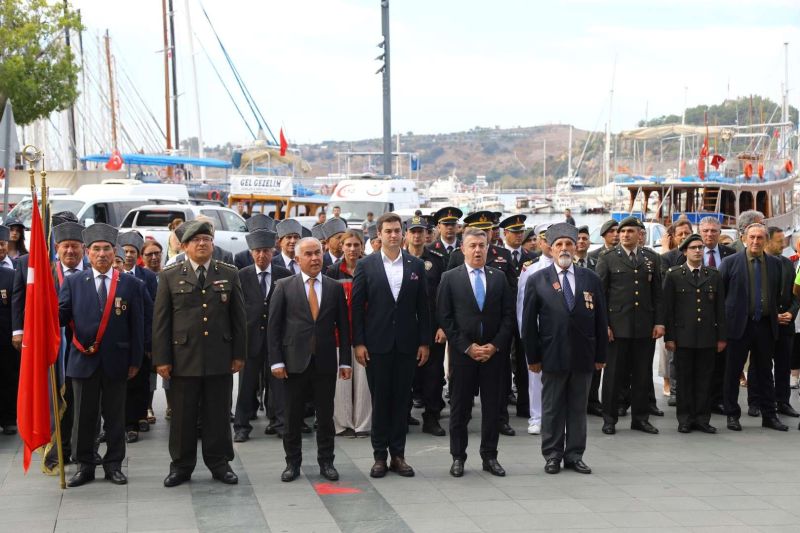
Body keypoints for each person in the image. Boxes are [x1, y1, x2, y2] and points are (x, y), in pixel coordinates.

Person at [153, 220, 247, 487]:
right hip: (184, 358)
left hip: (219, 355)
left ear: (213, 244)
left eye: (206, 239)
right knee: (182, 417)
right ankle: (181, 466)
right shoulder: (170, 275)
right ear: (184, 246)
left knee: (218, 414)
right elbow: (161, 321)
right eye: (196, 240)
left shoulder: (228, 273)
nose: (202, 244)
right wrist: (162, 359)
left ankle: (220, 463)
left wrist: (239, 354)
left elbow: (238, 318)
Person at [59, 223, 144, 487]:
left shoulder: (130, 284)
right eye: (96, 249)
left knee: (115, 418)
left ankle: (114, 464)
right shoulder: (74, 282)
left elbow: (138, 326)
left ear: (114, 250)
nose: (102, 254)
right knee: (83, 417)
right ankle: (84, 465)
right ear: (88, 252)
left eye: (107, 248)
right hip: (82, 360)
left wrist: (135, 360)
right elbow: (61, 317)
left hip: (116, 361)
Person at [522, 223, 607, 475]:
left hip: (583, 354)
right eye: (558, 244)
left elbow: (601, 319)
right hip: (552, 354)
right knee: (552, 409)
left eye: (569, 243)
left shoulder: (590, 278)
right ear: (551, 249)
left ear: (575, 247)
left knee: (578, 409)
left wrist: (601, 354)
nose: (564, 248)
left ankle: (574, 455)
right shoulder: (538, 279)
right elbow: (528, 324)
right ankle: (552, 455)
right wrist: (533, 357)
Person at [352, 212, 431, 478]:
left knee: (401, 401)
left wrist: (424, 342)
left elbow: (423, 307)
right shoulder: (366, 265)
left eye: (397, 230)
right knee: (380, 401)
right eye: (388, 231)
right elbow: (357, 308)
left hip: (407, 345)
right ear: (379, 234)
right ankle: (379, 456)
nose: (394, 235)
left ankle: (398, 455)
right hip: (377, 345)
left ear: (403, 233)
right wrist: (359, 343)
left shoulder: (415, 265)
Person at [269, 237, 351, 482]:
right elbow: (274, 328)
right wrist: (276, 361)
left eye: (318, 253)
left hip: (324, 362)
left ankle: (327, 462)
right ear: (297, 259)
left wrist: (345, 361)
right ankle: (292, 463)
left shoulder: (334, 287)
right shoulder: (284, 286)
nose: (315, 258)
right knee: (292, 417)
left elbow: (343, 328)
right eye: (308, 254)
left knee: (325, 417)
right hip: (293, 362)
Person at [438, 227, 514, 477]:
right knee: (460, 409)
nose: (477, 250)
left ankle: (490, 457)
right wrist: (467, 347)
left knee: (492, 409)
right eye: (472, 246)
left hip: (493, 355)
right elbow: (445, 317)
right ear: (463, 249)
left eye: (482, 246)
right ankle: (458, 457)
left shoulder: (498, 277)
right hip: (463, 355)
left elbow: (508, 316)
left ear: (488, 249)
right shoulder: (450, 278)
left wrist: (495, 345)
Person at [596, 216, 663, 435]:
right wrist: (604, 325)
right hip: (617, 328)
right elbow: (600, 295)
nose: (625, 235)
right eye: (622, 232)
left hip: (644, 326)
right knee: (613, 376)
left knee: (642, 375)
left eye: (630, 231)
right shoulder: (608, 258)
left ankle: (641, 419)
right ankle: (609, 419)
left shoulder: (651, 258)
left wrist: (659, 322)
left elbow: (657, 294)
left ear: (639, 234)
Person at [720, 223, 786, 431]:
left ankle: (769, 416)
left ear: (766, 240)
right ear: (744, 239)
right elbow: (721, 295)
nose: (756, 241)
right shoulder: (730, 263)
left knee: (765, 372)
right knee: (732, 372)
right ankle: (732, 415)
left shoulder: (775, 264)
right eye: (752, 237)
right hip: (738, 326)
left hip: (765, 325)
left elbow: (776, 294)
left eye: (760, 237)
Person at [663, 234, 727, 433]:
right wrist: (670, 337)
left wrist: (721, 337)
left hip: (707, 336)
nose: (698, 251)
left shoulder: (713, 275)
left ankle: (702, 418)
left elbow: (720, 309)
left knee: (705, 379)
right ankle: (685, 419)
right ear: (685, 252)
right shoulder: (674, 275)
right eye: (693, 248)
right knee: (684, 380)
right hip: (683, 336)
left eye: (700, 247)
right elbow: (668, 309)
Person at [233, 230, 292, 442]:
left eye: (266, 251)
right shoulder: (242, 275)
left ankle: (280, 423)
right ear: (251, 253)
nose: (261, 255)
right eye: (257, 251)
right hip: (250, 340)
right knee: (246, 385)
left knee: (278, 384)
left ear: (273, 251)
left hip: (276, 340)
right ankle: (241, 426)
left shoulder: (284, 274)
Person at [404, 216, 447, 436]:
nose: (417, 235)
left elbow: (445, 296)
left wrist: (444, 326)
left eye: (421, 231)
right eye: (413, 231)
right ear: (406, 234)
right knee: (404, 376)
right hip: (405, 327)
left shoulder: (437, 260)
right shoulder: (398, 259)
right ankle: (403, 416)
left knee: (433, 376)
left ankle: (431, 418)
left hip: (432, 327)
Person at [327, 230, 372, 438]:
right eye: (348, 245)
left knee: (364, 382)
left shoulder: (370, 268)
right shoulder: (332, 271)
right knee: (341, 382)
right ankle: (342, 424)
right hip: (339, 335)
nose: (352, 249)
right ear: (342, 246)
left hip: (365, 334)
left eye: (356, 245)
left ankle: (363, 424)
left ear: (362, 246)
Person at [117, 231, 157, 444]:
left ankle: (137, 418)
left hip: (140, 336)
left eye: (133, 251)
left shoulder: (146, 277)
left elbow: (152, 309)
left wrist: (150, 341)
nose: (129, 255)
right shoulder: (113, 274)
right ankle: (119, 422)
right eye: (125, 251)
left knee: (140, 381)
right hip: (117, 338)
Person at [698, 216, 736, 414]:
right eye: (705, 231)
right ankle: (700, 400)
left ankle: (718, 399)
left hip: (723, 315)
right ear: (699, 232)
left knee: (722, 360)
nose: (709, 234)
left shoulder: (731, 254)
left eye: (713, 231)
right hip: (698, 314)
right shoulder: (691, 252)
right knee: (701, 361)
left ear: (720, 233)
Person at [501, 214, 533, 421]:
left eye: (521, 231)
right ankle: (503, 401)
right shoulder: (497, 254)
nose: (519, 235)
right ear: (505, 233)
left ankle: (525, 404)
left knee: (524, 361)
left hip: (524, 314)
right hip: (503, 315)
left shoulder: (532, 256)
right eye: (514, 232)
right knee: (502, 361)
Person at [765, 227, 799, 418]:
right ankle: (759, 402)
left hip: (786, 324)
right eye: (779, 241)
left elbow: (796, 295)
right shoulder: (760, 264)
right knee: (761, 366)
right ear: (768, 241)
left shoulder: (787, 264)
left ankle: (783, 402)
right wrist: (773, 315)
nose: (784, 245)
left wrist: (791, 313)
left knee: (784, 365)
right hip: (765, 324)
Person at [141, 239, 164, 423]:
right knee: (149, 373)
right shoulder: (140, 277)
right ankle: (147, 407)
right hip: (148, 331)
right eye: (149, 254)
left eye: (157, 253)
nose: (154, 257)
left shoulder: (168, 274)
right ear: (143, 257)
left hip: (165, 330)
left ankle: (171, 406)